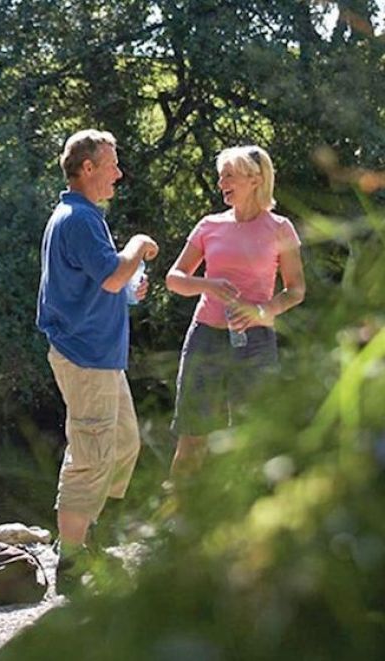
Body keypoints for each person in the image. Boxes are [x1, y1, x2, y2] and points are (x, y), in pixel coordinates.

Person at [36, 129, 159, 587]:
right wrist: (137, 245)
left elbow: (99, 284)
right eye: (112, 165)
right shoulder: (78, 219)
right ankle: (70, 561)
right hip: (85, 356)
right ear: (87, 168)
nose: (119, 174)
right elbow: (109, 275)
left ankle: (85, 533)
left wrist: (128, 291)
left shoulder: (83, 216)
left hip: (101, 356)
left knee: (123, 444)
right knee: (90, 454)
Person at [166, 145, 305, 481]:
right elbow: (174, 279)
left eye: (228, 176)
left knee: (251, 438)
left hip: (256, 342)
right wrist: (208, 285)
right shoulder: (209, 225)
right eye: (220, 176)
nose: (221, 183)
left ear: (255, 179)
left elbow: (296, 289)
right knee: (192, 435)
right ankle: (177, 512)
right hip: (204, 338)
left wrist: (263, 311)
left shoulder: (280, 228)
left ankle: (248, 512)